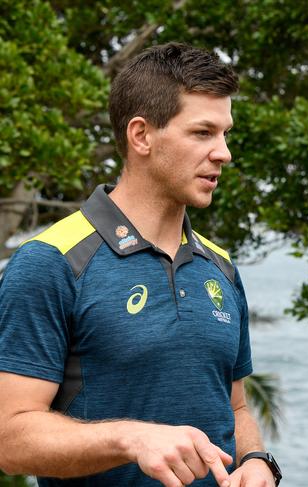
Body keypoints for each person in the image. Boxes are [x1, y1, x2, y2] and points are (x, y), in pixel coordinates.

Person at [0, 43, 281, 487]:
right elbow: (10, 438)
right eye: (203, 132)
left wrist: (256, 460)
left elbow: (236, 408)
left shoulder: (221, 267)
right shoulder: (50, 262)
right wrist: (130, 439)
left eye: (225, 133)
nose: (224, 152)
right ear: (141, 135)